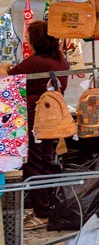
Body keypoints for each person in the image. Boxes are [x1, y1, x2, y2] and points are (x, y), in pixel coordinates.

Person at [4, 20, 69, 229]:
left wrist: (5, 67)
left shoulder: (37, 62)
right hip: (53, 119)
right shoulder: (60, 60)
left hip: (35, 119)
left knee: (34, 164)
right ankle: (48, 207)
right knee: (47, 161)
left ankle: (42, 212)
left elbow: (9, 77)